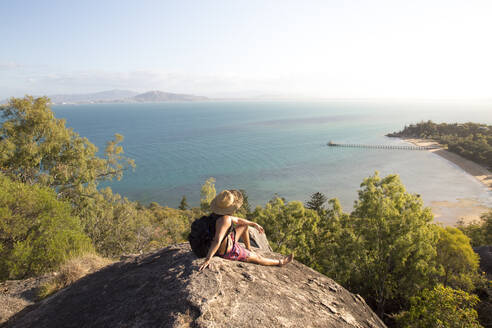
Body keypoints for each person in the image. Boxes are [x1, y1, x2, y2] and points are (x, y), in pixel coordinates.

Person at [198, 189, 294, 271]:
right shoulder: (225, 220)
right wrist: (208, 259)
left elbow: (238, 220)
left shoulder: (216, 215)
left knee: (244, 226)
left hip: (226, 241)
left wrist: (253, 224)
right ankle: (280, 262)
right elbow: (217, 240)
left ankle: (248, 248)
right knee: (258, 258)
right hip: (228, 251)